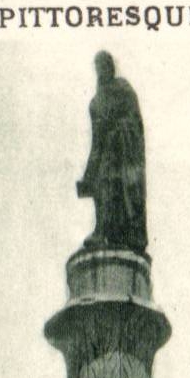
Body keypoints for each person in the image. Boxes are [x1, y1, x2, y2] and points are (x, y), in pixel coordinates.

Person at [77, 53, 147, 254]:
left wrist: (120, 130)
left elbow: (135, 122)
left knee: (122, 189)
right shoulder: (96, 103)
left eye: (105, 65)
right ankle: (102, 230)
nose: (103, 70)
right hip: (107, 154)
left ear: (111, 67)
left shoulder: (123, 89)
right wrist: (88, 176)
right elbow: (96, 142)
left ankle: (124, 233)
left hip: (124, 153)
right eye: (98, 66)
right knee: (102, 185)